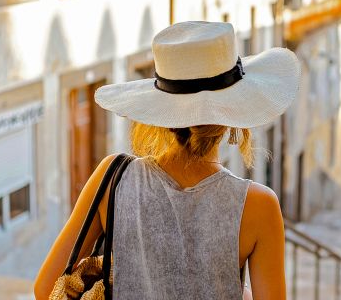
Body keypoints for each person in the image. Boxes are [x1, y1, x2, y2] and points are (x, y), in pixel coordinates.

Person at [34, 21, 301, 299]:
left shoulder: (112, 178)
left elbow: (46, 288)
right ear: (232, 117)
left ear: (161, 112)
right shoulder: (258, 206)